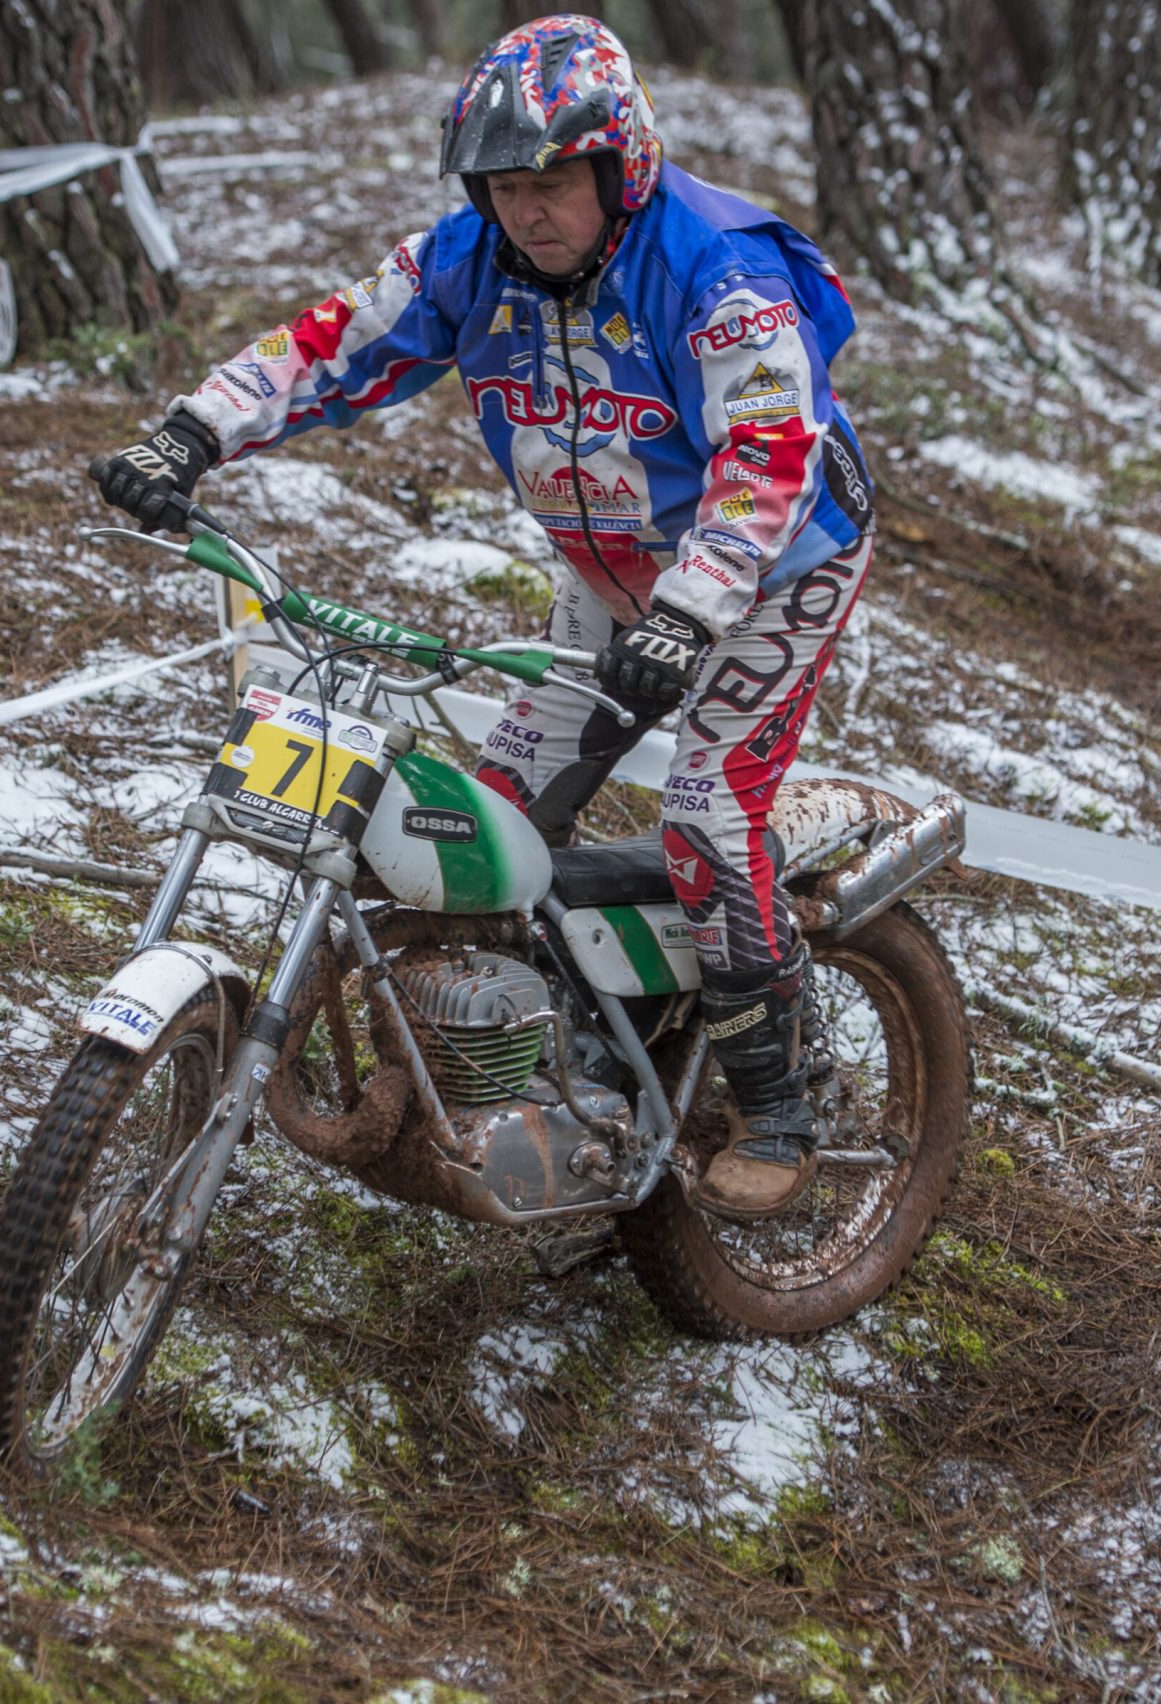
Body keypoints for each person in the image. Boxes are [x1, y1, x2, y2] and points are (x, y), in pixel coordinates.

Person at [96, 16, 877, 1219]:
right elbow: (329, 342)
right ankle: (565, 1036)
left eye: (553, 183)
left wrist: (691, 609)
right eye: (506, 187)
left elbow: (769, 454)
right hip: (609, 578)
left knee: (708, 813)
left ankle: (782, 1100)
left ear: (622, 169)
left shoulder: (719, 269)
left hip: (772, 574)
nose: (529, 212)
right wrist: (191, 431)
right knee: (496, 821)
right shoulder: (469, 260)